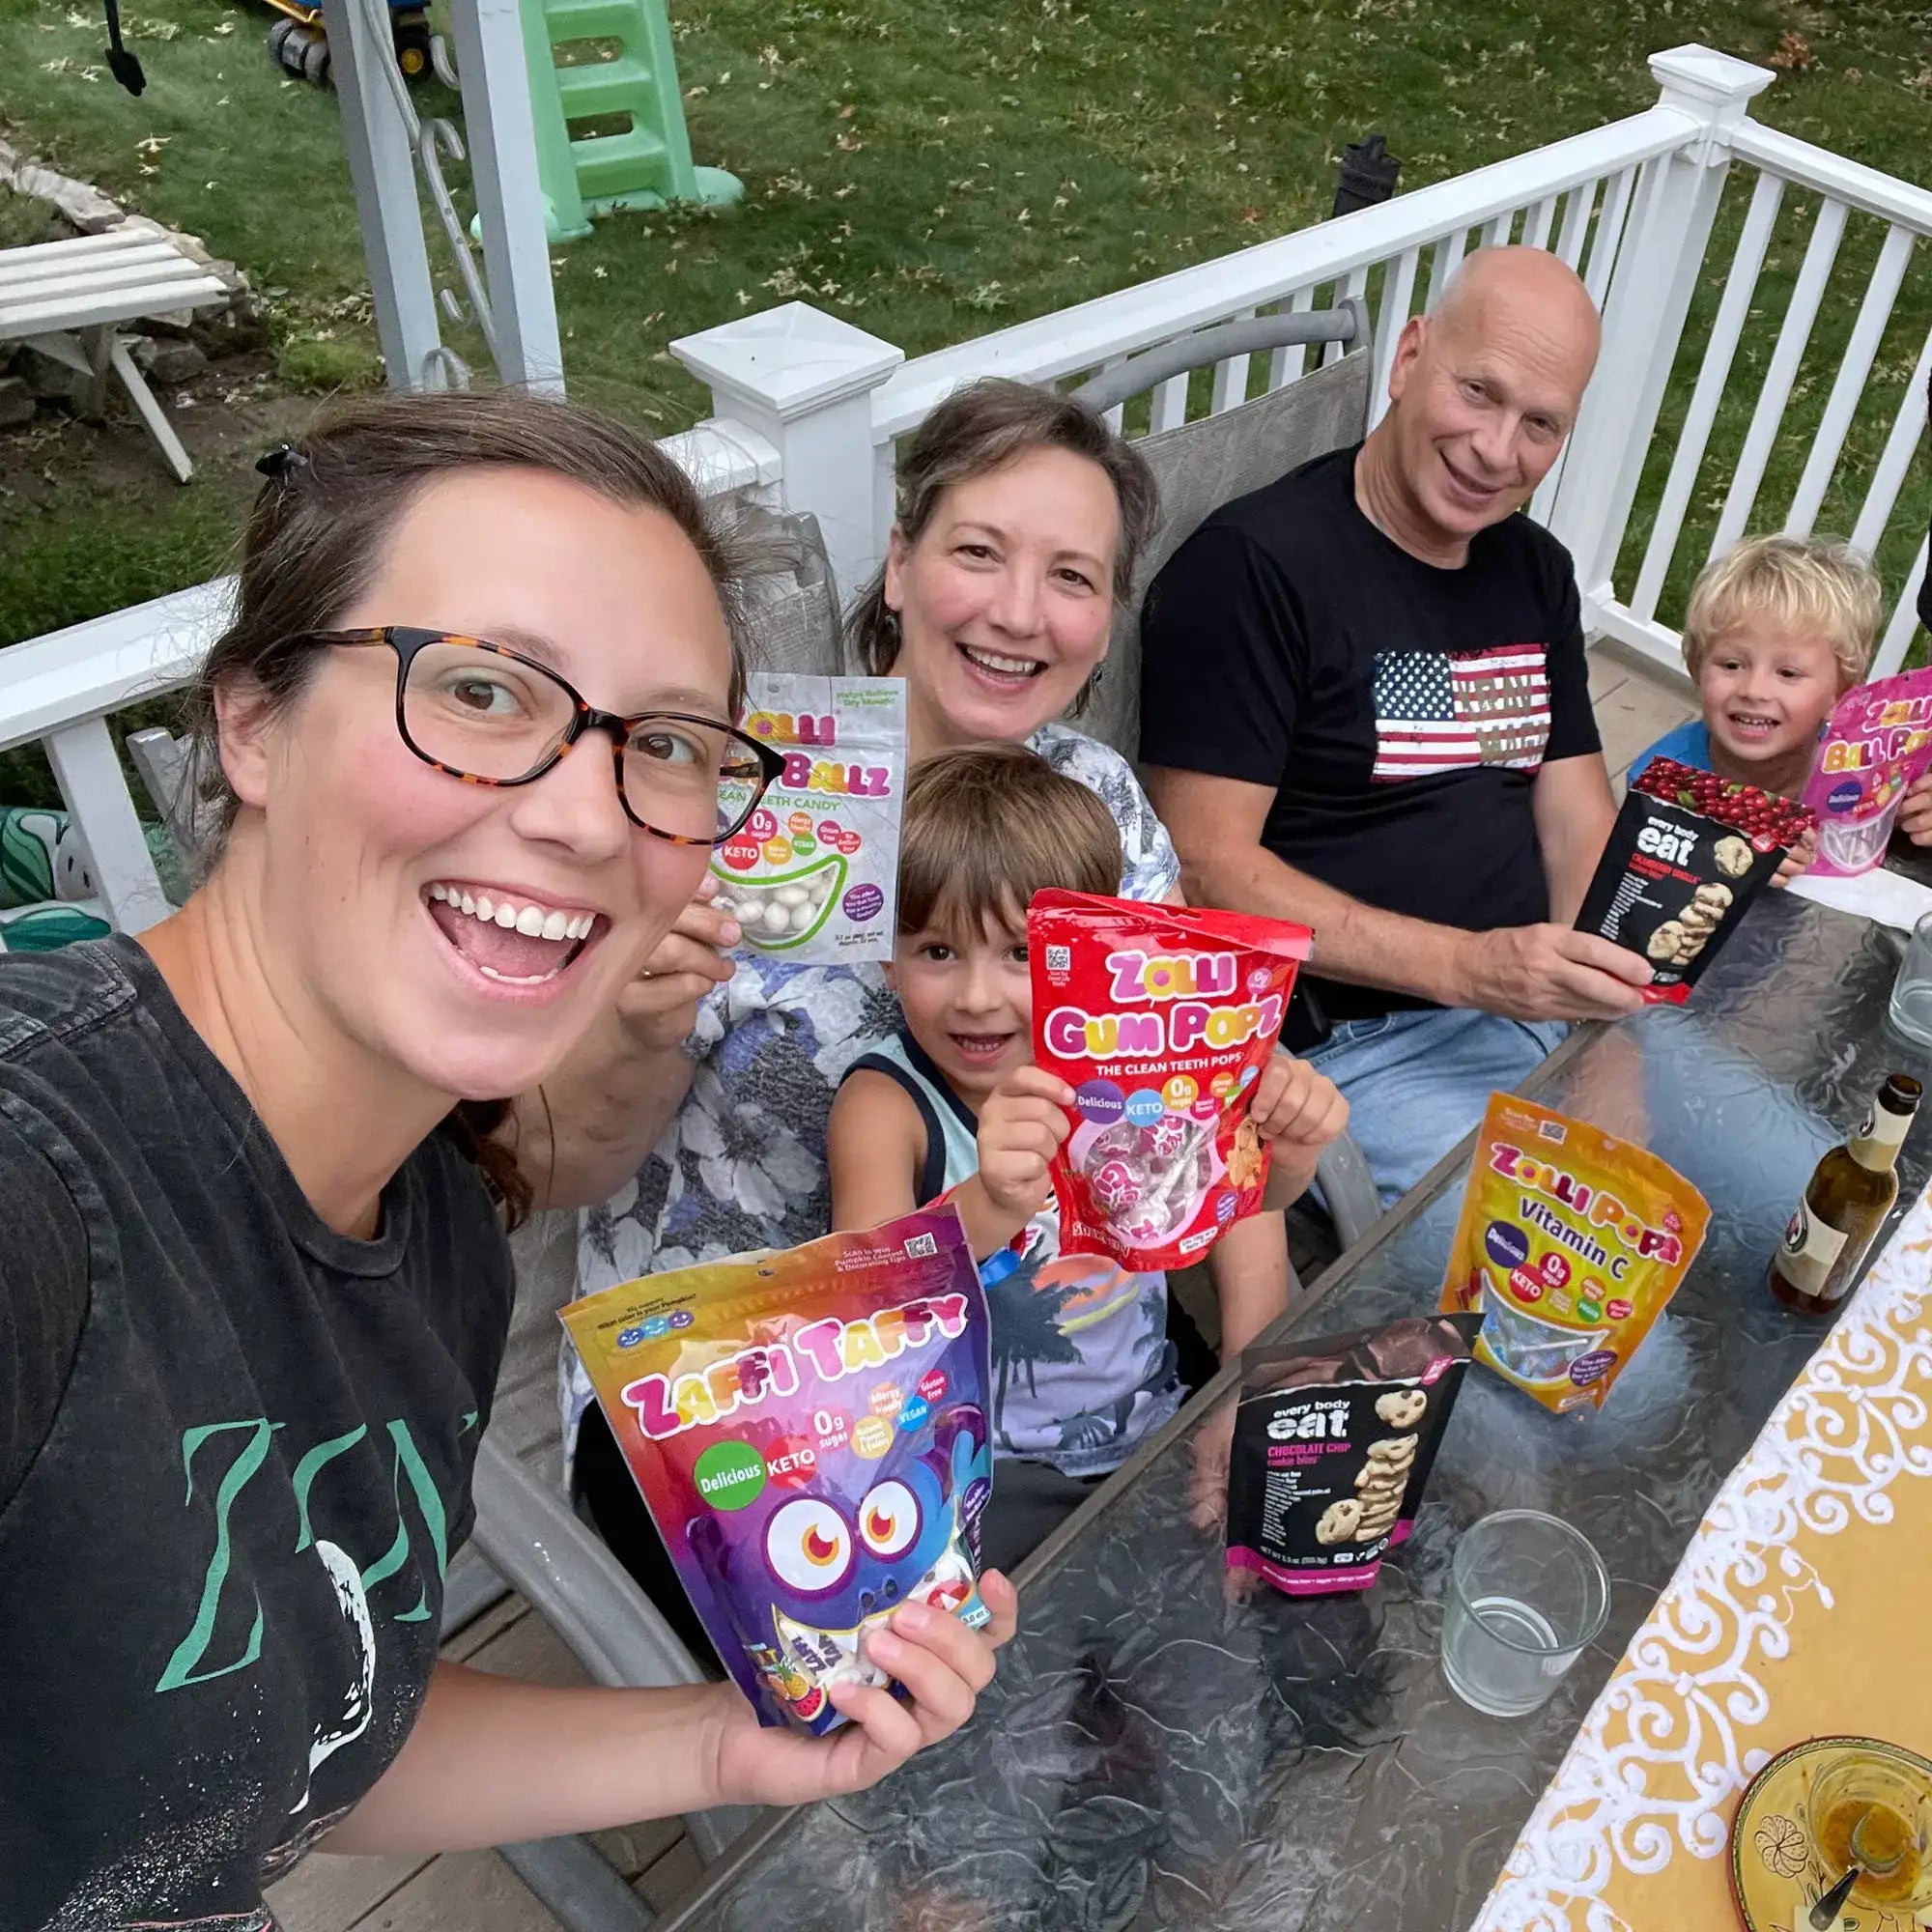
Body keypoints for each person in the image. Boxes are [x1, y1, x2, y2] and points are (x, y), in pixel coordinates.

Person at [0, 391, 1014, 1932]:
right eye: (481, 691)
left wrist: (723, 1742)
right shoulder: (45, 1182)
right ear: (252, 721)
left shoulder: (438, 1219)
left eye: (662, 743)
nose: (581, 816)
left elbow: (314, 1728)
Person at [530, 379, 1298, 1588]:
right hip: (728, 1391)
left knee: (1279, 1613)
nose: (1015, 612)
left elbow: (1206, 1106)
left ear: (1105, 618)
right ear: (897, 564)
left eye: (1070, 576)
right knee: (947, 1731)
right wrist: (636, 1022)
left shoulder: (1096, 809)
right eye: (977, 552)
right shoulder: (728, 799)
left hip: (1040, 1376)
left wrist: (1255, 1367)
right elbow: (551, 1159)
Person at [1137, 245, 1651, 1210]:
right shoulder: (1252, 571)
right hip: (1362, 1047)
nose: (1496, 450)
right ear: (1408, 358)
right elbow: (1203, 869)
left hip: (1548, 1003)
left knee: (1801, 1192)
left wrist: (1605, 1028)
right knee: (1598, 1338)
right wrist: (1472, 967)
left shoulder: (1530, 569)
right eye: (1478, 392)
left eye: (1538, 424)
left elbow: (1576, 820)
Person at [826, 745, 1348, 1568]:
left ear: (1092, 959)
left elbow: (1241, 1204)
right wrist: (991, 1203)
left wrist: (1291, 1149)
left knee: (1247, 1607)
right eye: (936, 952)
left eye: (1023, 955)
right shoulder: (888, 1106)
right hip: (977, 1472)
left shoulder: (1130, 1078)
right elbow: (867, 1306)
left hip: (1152, 1417)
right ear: (887, 959)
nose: (977, 996)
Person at [1629, 532, 1932, 866]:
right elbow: (1630, 890)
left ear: (1841, 695)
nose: (1753, 690)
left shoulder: (1864, 770)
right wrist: (1732, 868)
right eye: (1732, 665)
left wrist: (1909, 815)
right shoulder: (1658, 783)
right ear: (1697, 669)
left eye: (1788, 673)